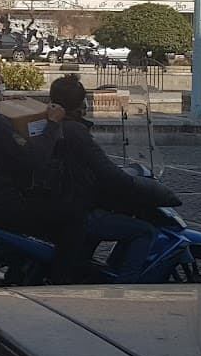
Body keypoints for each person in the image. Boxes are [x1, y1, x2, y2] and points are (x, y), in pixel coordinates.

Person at [44, 75, 179, 282]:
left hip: (59, 204)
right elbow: (105, 170)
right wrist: (136, 185)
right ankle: (125, 286)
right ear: (79, 106)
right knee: (145, 232)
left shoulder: (52, 125)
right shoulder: (76, 131)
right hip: (79, 210)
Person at [0, 56, 73, 262]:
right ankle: (64, 272)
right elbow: (32, 158)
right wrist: (53, 124)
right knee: (70, 220)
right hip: (3, 200)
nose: (1, 79)